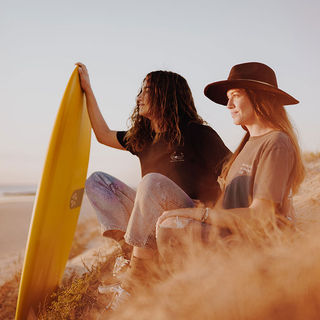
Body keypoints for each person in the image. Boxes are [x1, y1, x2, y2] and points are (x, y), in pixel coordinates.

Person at [76, 63, 230, 289]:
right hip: (151, 221)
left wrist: (210, 210)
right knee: (98, 181)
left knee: (151, 182)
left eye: (146, 91)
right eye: (140, 91)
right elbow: (103, 134)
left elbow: (233, 172)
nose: (139, 97)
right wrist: (87, 90)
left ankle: (138, 272)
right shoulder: (143, 137)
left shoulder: (198, 133)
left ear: (165, 95)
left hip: (188, 219)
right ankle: (131, 249)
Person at [156, 62, 305, 261]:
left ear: (260, 96)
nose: (229, 105)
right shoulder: (245, 146)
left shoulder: (276, 143)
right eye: (228, 98)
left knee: (171, 228)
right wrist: (195, 211)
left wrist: (200, 215)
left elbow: (262, 217)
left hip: (252, 246)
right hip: (228, 235)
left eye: (236, 96)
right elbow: (226, 208)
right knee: (168, 218)